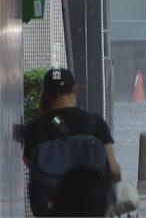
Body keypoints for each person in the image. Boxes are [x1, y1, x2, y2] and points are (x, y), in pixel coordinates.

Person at [23, 68, 121, 216]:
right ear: (75, 89)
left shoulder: (35, 128)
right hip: (91, 206)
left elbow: (31, 163)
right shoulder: (94, 122)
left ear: (46, 94)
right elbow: (113, 169)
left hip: (50, 208)